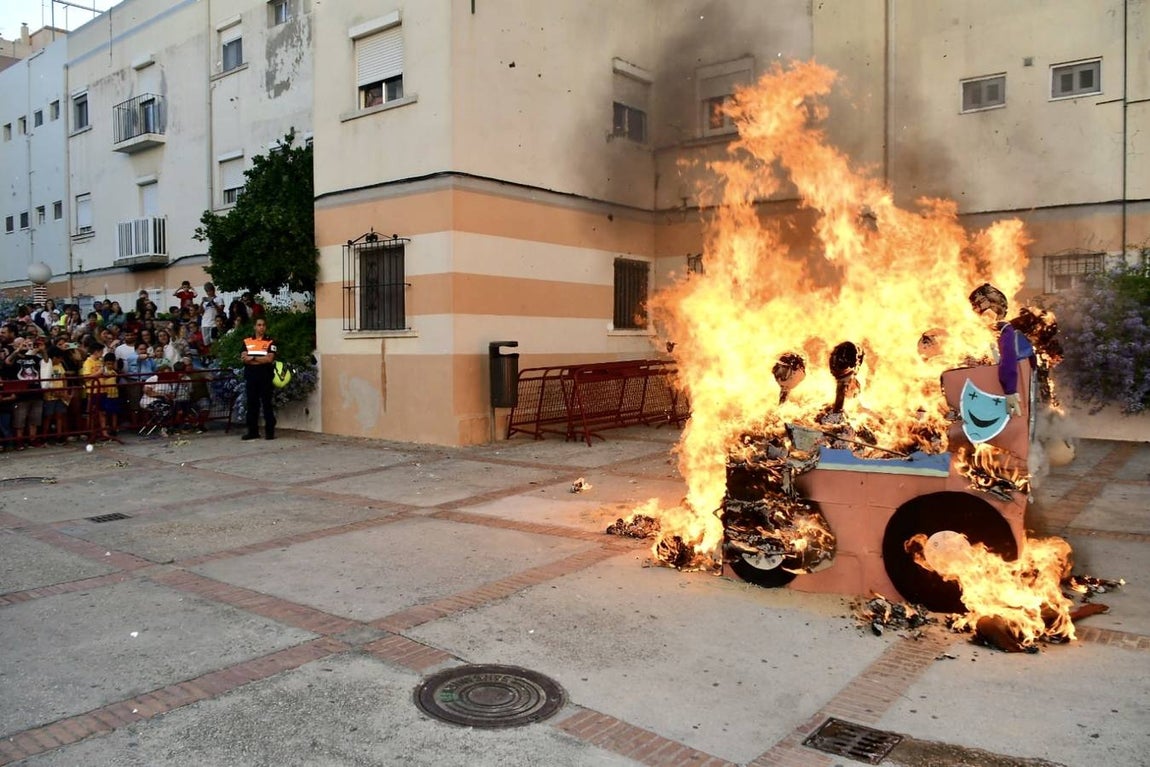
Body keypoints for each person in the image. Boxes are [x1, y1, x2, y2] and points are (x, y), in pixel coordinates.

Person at [968, 283, 1036, 418]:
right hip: (991, 398)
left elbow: (1008, 359)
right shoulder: (988, 333)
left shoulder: (1004, 330)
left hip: (1002, 400)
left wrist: (1010, 390)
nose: (978, 314)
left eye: (979, 307)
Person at [241, 317, 277, 440]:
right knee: (252, 405)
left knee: (267, 404)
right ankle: (252, 432)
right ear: (255, 327)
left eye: (263, 325)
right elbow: (244, 358)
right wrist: (258, 359)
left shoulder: (270, 342)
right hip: (251, 377)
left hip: (265, 376)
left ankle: (270, 432)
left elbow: (269, 359)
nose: (261, 327)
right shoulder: (247, 341)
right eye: (259, 325)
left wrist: (253, 358)